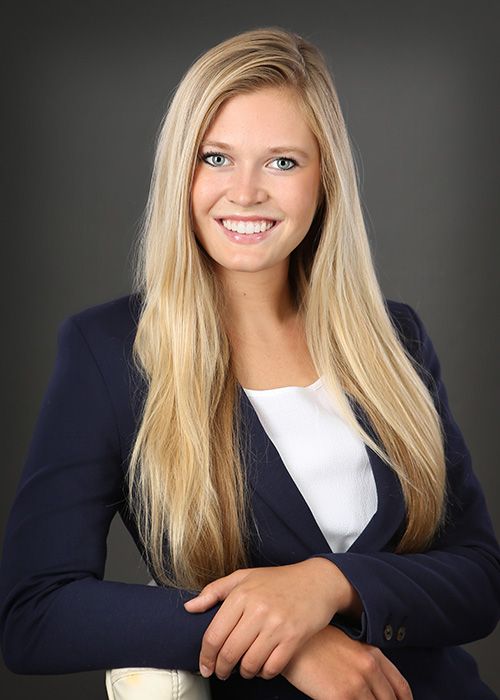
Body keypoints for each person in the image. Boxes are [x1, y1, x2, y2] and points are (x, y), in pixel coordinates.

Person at [0, 26, 499, 700]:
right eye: (216, 157)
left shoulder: (393, 336)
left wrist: (326, 585)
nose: (246, 191)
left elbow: (478, 577)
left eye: (282, 162)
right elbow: (36, 614)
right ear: (183, 169)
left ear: (325, 179)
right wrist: (288, 640)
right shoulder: (107, 351)